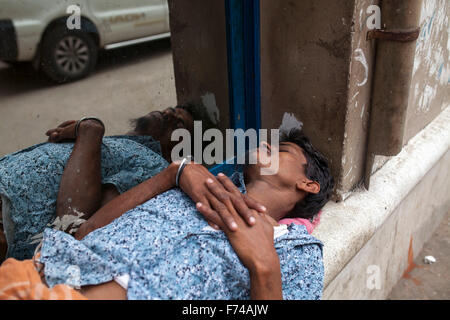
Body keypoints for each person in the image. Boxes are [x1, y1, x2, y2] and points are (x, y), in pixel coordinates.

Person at [0, 115, 334, 300]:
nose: (263, 143)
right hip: (33, 278)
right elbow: (84, 233)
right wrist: (173, 174)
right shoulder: (196, 189)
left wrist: (264, 269)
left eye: (283, 149)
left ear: (308, 184)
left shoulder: (294, 252)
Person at [0, 105, 260, 260]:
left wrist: (90, 132)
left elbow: (73, 223)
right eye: (172, 109)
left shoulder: (151, 167)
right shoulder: (132, 147)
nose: (168, 113)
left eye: (179, 122)